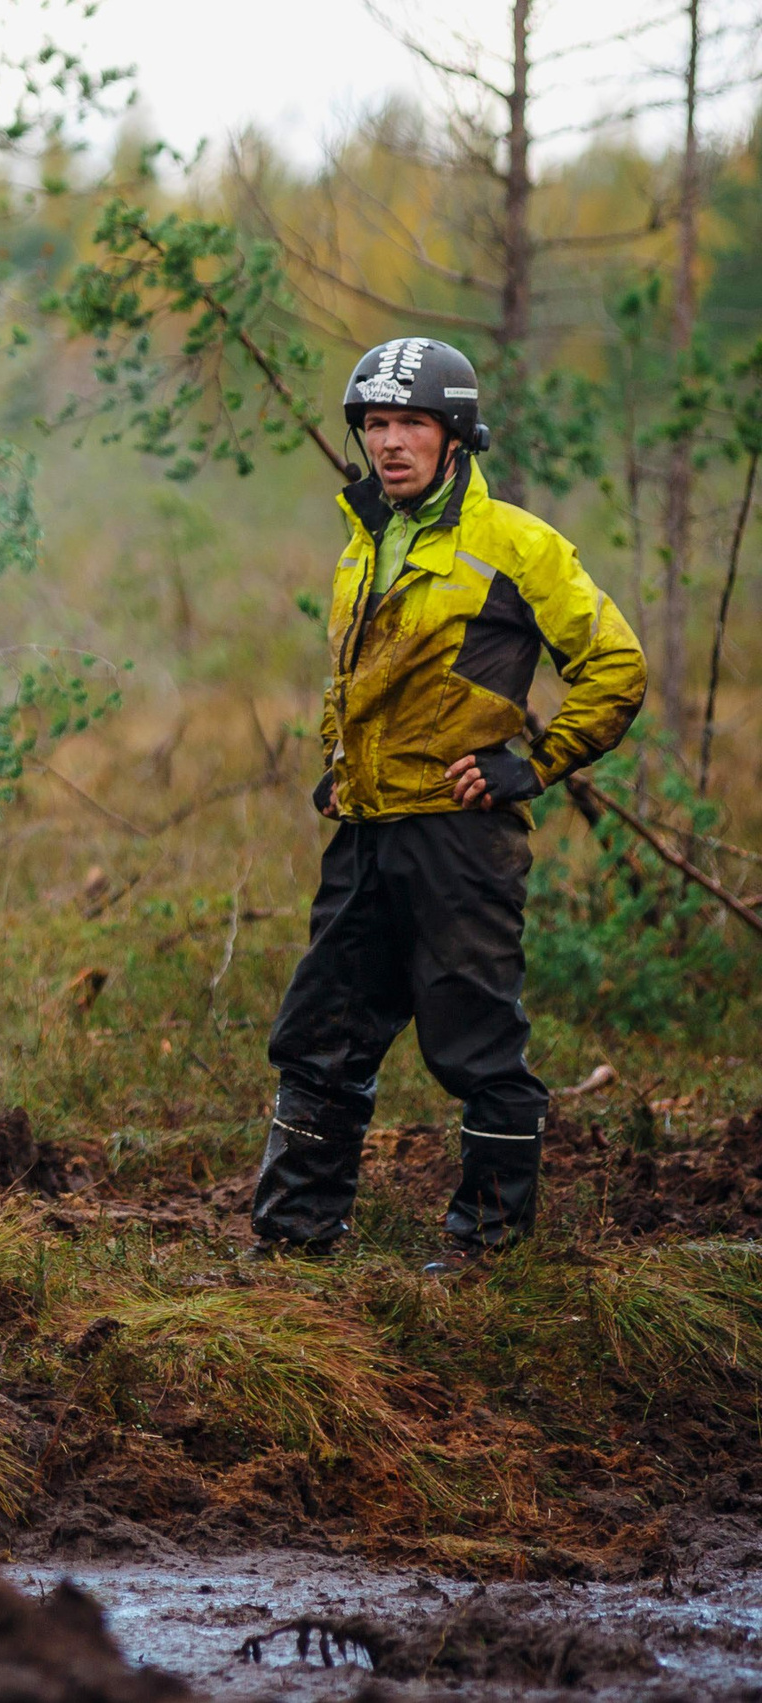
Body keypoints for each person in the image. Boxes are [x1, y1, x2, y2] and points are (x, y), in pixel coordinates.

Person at [251, 337, 646, 1273]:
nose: (390, 443)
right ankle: (294, 1245)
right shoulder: (365, 538)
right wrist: (345, 763)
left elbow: (616, 664)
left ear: (454, 432)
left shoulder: (517, 544)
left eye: (410, 423)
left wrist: (538, 762)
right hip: (365, 830)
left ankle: (489, 1252)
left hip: (461, 843)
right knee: (320, 1040)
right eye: (375, 424)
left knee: (476, 1052)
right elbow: (367, 678)